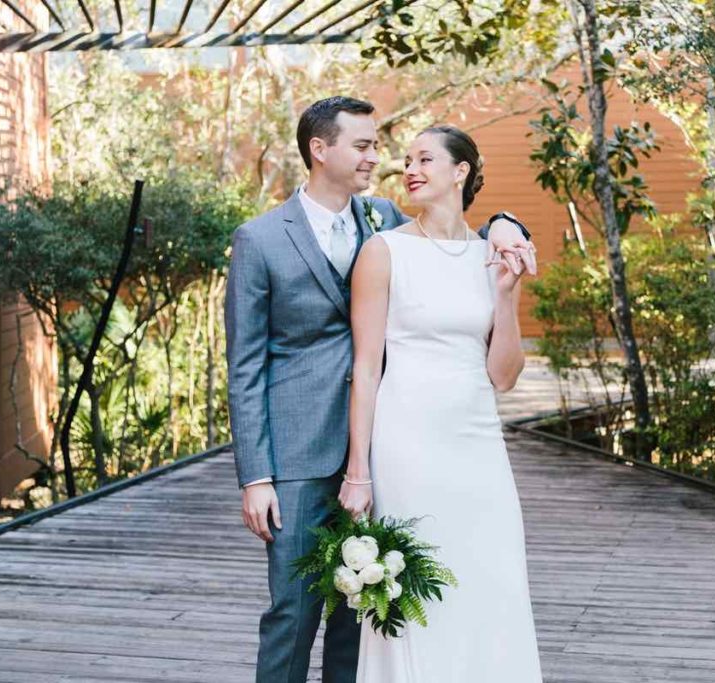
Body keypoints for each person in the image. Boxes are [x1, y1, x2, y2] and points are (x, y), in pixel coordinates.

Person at [224, 97, 536, 683]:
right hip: (298, 451)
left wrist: (504, 223)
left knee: (364, 611)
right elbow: (244, 365)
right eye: (364, 146)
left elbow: (451, 230)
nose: (379, 157)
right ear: (321, 150)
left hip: (385, 442)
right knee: (293, 610)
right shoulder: (260, 239)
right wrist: (255, 476)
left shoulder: (384, 218)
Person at [340, 125, 542, 681]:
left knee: (490, 575)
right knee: (417, 589)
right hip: (407, 442)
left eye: (426, 159)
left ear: (462, 172)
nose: (410, 169)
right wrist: (358, 471)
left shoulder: (495, 254)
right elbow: (365, 367)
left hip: (478, 441)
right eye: (406, 160)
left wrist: (504, 299)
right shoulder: (383, 252)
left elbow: (504, 376)